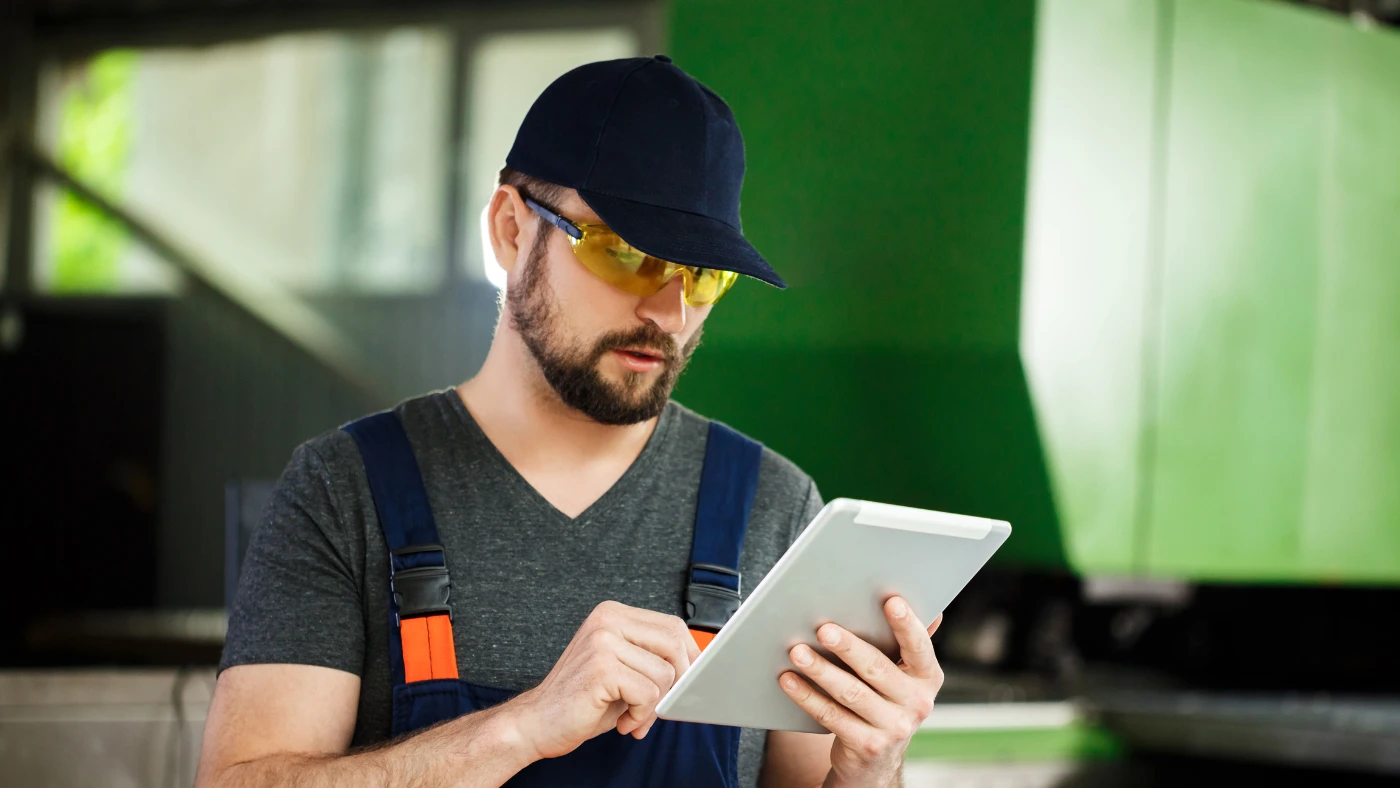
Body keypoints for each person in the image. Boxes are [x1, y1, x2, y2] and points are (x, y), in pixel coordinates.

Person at [196, 55, 945, 788]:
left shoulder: (775, 511)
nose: (669, 312)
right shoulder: (344, 492)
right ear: (512, 231)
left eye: (702, 275)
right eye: (627, 255)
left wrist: (870, 769)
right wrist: (521, 729)